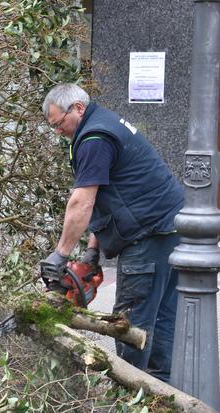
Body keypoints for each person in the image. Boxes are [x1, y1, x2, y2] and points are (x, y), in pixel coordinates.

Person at [38, 83, 184, 382]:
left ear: (77, 108)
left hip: (148, 233)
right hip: (169, 229)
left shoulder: (93, 138)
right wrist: (93, 249)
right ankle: (162, 394)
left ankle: (131, 393)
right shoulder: (103, 124)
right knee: (162, 318)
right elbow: (107, 197)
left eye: (58, 124)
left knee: (130, 322)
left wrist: (60, 255)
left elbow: (83, 201)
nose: (58, 131)